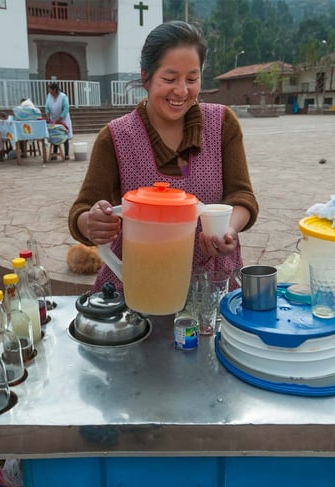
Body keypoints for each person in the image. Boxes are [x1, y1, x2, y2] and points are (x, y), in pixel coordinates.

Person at [68, 20, 259, 293]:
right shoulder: (115, 138)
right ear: (146, 76)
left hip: (211, 283)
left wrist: (227, 229)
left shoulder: (222, 125)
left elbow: (242, 197)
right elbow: (81, 211)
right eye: (169, 79)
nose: (182, 91)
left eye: (192, 79)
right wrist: (92, 223)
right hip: (140, 283)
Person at [45, 82, 72, 160]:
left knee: (64, 135)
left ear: (54, 89)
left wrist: (60, 119)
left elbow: (66, 108)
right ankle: (55, 153)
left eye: (50, 89)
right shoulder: (49, 96)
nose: (49, 91)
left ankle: (66, 154)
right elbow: (47, 107)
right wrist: (48, 116)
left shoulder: (63, 97)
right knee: (54, 134)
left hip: (63, 118)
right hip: (53, 119)